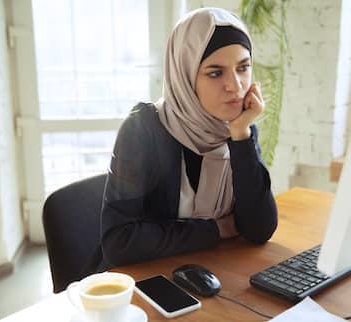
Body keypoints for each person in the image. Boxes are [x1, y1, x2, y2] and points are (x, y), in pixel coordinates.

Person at [99, 7, 278, 268]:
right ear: (185, 74)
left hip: (214, 273)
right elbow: (119, 241)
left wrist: (240, 134)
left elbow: (259, 229)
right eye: (215, 73)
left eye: (243, 68)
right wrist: (216, 230)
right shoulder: (143, 129)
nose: (236, 86)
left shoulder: (239, 127)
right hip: (147, 284)